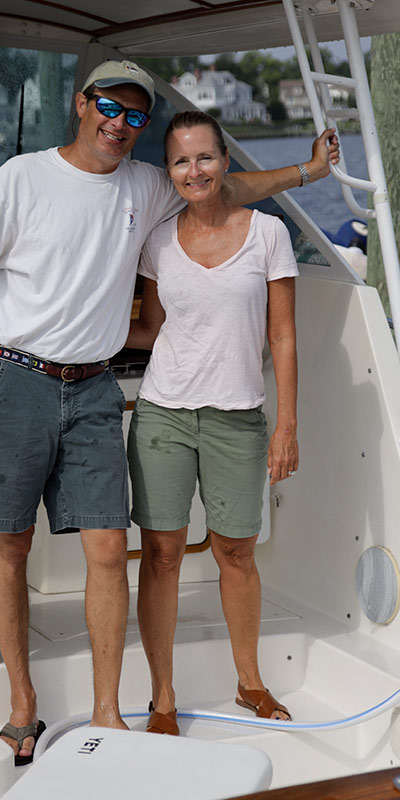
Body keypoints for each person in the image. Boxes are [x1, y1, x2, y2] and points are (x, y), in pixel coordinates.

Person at [0, 61, 337, 762]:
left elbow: (227, 185)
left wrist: (305, 172)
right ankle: (24, 704)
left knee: (111, 549)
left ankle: (109, 714)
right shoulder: (22, 178)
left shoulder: (148, 186)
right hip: (13, 379)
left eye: (136, 117)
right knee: (12, 542)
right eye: (109, 108)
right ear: (83, 105)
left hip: (91, 391)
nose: (120, 124)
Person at [126, 110, 300, 734]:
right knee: (163, 555)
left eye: (204, 157)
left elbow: (282, 335)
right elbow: (147, 328)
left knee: (235, 552)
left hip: (238, 419)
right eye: (180, 160)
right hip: (162, 414)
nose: (193, 170)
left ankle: (250, 682)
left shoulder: (268, 235)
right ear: (168, 171)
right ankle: (163, 697)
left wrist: (285, 425)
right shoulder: (157, 240)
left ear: (225, 161)